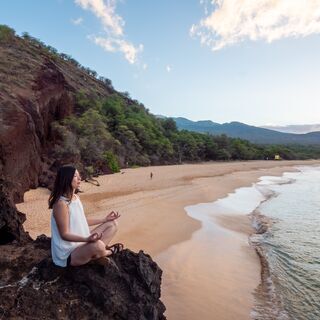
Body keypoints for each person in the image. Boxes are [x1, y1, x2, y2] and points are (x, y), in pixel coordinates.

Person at [48, 165, 122, 267]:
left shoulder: (76, 198)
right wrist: (87, 239)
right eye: (75, 176)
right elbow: (64, 235)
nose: (79, 179)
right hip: (68, 254)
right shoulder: (61, 204)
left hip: (82, 243)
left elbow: (82, 220)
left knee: (112, 224)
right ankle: (106, 252)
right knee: (99, 245)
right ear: (66, 178)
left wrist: (104, 219)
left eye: (79, 176)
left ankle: (95, 255)